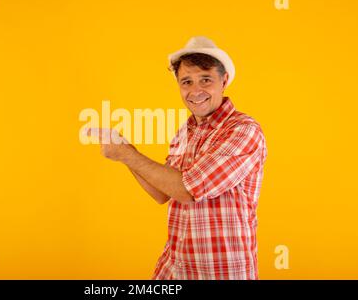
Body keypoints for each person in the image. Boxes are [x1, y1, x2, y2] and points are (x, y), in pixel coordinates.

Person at [87, 36, 268, 280]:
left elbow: (187, 190)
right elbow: (163, 193)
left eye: (205, 79)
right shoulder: (185, 131)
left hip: (221, 271)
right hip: (177, 266)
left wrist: (127, 154)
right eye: (186, 82)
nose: (195, 91)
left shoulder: (242, 130)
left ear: (224, 81)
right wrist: (125, 152)